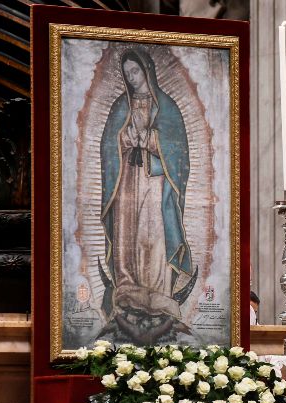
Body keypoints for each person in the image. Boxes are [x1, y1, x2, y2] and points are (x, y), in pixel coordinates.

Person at [98, 47, 196, 343]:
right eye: (127, 74)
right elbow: (108, 146)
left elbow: (178, 151)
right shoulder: (120, 106)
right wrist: (126, 138)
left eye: (135, 71)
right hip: (127, 180)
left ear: (147, 71)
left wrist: (152, 140)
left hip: (155, 182)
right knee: (127, 233)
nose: (131, 77)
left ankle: (157, 292)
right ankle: (127, 289)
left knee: (153, 233)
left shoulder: (165, 107)